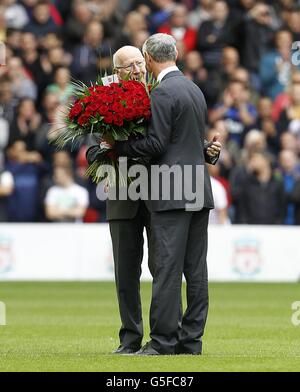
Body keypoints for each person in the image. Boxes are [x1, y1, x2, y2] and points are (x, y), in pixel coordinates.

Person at [86, 43, 221, 355]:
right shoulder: (103, 103)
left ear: (146, 62)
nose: (136, 69)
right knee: (126, 272)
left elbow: (174, 139)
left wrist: (205, 149)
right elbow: (93, 150)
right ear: (115, 72)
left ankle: (166, 337)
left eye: (138, 63)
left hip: (163, 191)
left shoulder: (157, 92)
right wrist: (109, 146)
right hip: (124, 192)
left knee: (165, 267)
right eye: (128, 66)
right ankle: (130, 338)